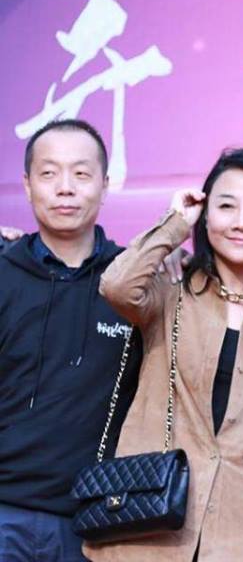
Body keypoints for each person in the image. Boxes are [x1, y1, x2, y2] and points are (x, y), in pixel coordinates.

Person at [85, 148, 243, 562]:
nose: (241, 222)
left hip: (242, 532)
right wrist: (174, 225)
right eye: (226, 206)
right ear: (205, 217)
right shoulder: (172, 289)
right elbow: (117, 286)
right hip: (146, 526)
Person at [0, 119, 141, 562]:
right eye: (49, 173)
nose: (65, 188)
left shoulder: (133, 283)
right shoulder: (4, 272)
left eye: (81, 173)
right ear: (27, 185)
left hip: (95, 520)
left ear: (105, 184)